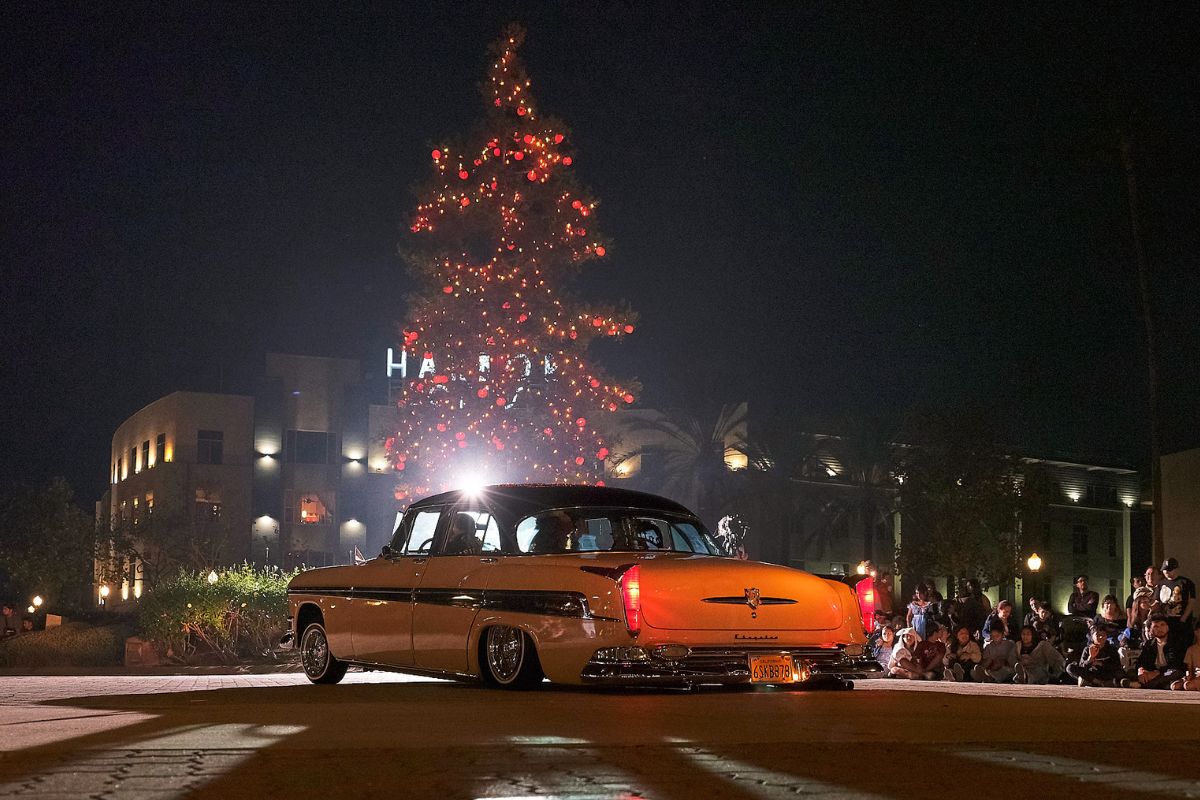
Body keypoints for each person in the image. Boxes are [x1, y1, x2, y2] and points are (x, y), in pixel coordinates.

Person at [1125, 614, 1188, 690]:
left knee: (1173, 673)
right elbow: (1141, 661)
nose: (1160, 629)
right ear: (1151, 630)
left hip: (1169, 671)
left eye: (1162, 625)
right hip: (1152, 672)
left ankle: (1143, 685)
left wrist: (1157, 673)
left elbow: (1177, 664)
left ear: (1167, 627)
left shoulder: (1176, 643)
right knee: (1131, 672)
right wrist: (1141, 670)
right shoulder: (1149, 644)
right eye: (1156, 626)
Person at [1067, 622, 1123, 687]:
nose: (1101, 637)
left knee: (1119, 673)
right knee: (1070, 667)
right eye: (1098, 635)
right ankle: (1097, 682)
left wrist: (1100, 664)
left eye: (1103, 634)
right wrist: (1090, 659)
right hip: (1092, 674)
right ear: (1092, 637)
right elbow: (1082, 666)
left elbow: (1116, 666)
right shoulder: (1087, 649)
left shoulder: (1112, 649)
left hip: (1105, 674)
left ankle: (1103, 682)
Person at [1157, 558, 1197, 630]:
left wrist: (1183, 618)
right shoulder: (1160, 584)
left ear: (1176, 569)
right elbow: (1157, 601)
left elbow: (1191, 601)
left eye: (1169, 570)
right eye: (1165, 570)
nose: (1166, 572)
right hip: (1165, 621)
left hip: (1182, 620)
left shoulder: (1186, 582)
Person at [1170, 625, 1200, 692]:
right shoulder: (1191, 649)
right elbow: (1189, 668)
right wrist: (1188, 676)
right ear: (1196, 632)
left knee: (1188, 685)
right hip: (1195, 676)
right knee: (1175, 685)